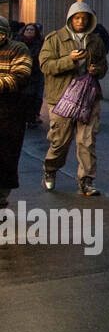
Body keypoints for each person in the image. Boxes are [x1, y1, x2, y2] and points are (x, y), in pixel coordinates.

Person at [39, 2, 108, 196]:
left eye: (84, 18)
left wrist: (97, 70)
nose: (81, 21)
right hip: (61, 98)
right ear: (70, 19)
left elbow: (104, 65)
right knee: (60, 141)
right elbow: (45, 65)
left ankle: (86, 180)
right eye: (77, 18)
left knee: (87, 140)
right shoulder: (55, 39)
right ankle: (50, 169)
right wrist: (70, 60)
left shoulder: (95, 40)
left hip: (88, 96)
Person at [0, 16, 34, 209]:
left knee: (6, 157)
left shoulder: (18, 49)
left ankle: (1, 198)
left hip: (9, 113)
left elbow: (20, 76)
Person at [17, 22, 43, 127]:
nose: (29, 31)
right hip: (21, 72)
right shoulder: (18, 42)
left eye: (31, 30)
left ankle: (33, 116)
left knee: (35, 96)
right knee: (22, 96)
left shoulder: (40, 43)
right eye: (27, 29)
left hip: (35, 73)